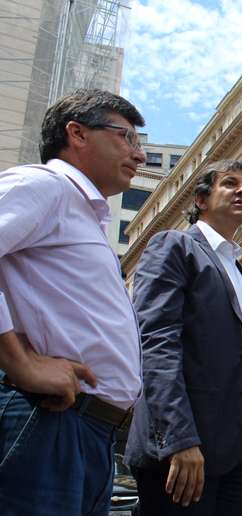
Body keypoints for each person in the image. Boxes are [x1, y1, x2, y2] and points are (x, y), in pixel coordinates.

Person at [0, 89, 145, 515]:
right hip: (46, 422)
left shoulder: (84, 214)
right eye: (127, 138)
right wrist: (19, 361)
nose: (139, 155)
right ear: (77, 134)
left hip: (89, 435)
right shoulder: (44, 186)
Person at [124, 160, 242, 515]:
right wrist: (179, 438)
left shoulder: (240, 273)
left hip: (238, 450)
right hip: (185, 449)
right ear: (201, 199)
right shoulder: (174, 246)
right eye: (230, 183)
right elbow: (156, 342)